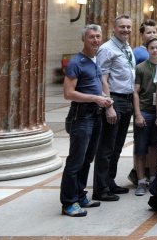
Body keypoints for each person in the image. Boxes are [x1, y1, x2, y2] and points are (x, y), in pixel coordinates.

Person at [60, 24, 114, 217]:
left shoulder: (95, 60)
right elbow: (68, 93)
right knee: (75, 161)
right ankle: (68, 202)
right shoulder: (76, 62)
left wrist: (104, 100)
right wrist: (96, 98)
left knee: (87, 160)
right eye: (91, 37)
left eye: (98, 36)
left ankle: (80, 195)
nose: (95, 40)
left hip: (95, 116)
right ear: (83, 39)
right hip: (81, 117)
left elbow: (93, 87)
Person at [94, 15, 135, 202]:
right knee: (106, 146)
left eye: (128, 27)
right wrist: (108, 105)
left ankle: (109, 182)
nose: (125, 30)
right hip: (115, 100)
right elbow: (102, 79)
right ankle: (100, 188)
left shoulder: (127, 47)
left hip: (127, 100)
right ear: (113, 28)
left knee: (117, 145)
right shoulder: (106, 49)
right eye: (122, 27)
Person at [132, 36, 157, 196]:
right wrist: (137, 114)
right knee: (141, 148)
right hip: (144, 111)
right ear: (148, 50)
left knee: (155, 146)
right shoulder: (141, 68)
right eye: (152, 48)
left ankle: (153, 177)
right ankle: (141, 180)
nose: (155, 50)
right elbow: (135, 92)